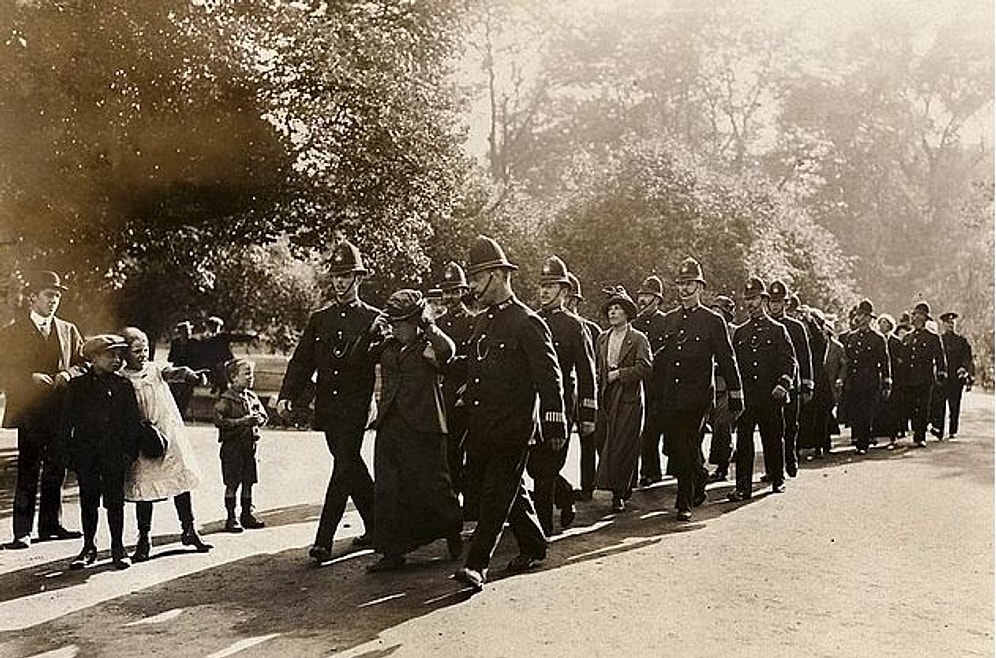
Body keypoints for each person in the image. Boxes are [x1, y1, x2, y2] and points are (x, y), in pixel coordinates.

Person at [453, 235, 566, 591]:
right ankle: (534, 543)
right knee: (506, 490)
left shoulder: (527, 321)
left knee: (495, 494)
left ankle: (476, 565)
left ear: (499, 275)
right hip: (483, 424)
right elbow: (476, 366)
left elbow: (550, 377)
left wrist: (554, 420)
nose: (471, 285)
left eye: (476, 277)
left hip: (514, 428)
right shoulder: (484, 320)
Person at [277, 240, 381, 563]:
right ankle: (379, 527)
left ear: (358, 278)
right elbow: (302, 361)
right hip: (329, 409)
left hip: (355, 409)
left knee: (343, 466)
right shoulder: (320, 318)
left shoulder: (374, 319)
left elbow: (388, 361)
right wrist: (287, 394)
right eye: (335, 275)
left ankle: (323, 540)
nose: (339, 281)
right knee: (351, 468)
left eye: (346, 275)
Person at [367, 289, 463, 572]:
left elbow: (448, 352)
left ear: (416, 321)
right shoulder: (388, 346)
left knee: (433, 486)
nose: (396, 328)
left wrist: (429, 326)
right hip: (390, 424)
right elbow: (361, 354)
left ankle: (451, 529)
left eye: (401, 323)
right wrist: (373, 330)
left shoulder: (428, 345)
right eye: (392, 322)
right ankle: (391, 552)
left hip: (425, 426)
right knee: (388, 488)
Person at [650, 258, 742, 521]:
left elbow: (727, 358)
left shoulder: (713, 321)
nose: (684, 289)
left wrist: (736, 394)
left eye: (689, 284)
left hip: (699, 397)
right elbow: (664, 360)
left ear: (700, 287)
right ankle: (699, 477)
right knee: (676, 448)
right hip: (672, 396)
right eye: (680, 284)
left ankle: (684, 502)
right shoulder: (670, 320)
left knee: (688, 444)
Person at [1, 270, 85, 549]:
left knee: (56, 469)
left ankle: (51, 526)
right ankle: (21, 532)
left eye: (57, 297)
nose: (54, 301)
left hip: (61, 411)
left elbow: (84, 363)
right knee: (28, 469)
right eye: (49, 295)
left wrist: (70, 374)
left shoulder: (68, 330)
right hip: (30, 412)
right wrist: (29, 378)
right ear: (33, 297)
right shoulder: (12, 333)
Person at [120, 327, 213, 561]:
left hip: (167, 432)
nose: (142, 355)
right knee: (145, 486)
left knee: (180, 479)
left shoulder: (155, 369)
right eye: (136, 351)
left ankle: (189, 529)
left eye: (145, 350)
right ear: (124, 353)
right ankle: (144, 537)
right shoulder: (122, 377)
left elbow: (173, 372)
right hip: (142, 438)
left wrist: (189, 374)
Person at [60, 335, 142, 570]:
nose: (116, 360)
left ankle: (118, 547)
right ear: (94, 358)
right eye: (110, 355)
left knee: (115, 503)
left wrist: (129, 452)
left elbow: (132, 423)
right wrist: (68, 454)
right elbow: (66, 423)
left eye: (119, 355)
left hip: (114, 456)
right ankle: (88, 547)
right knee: (88, 501)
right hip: (86, 455)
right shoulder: (77, 387)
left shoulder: (123, 385)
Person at [528, 256, 596, 533]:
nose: (544, 291)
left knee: (545, 471)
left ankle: (542, 530)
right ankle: (565, 494)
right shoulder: (531, 320)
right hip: (532, 406)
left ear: (565, 292)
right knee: (534, 468)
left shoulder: (574, 326)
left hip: (560, 408)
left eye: (551, 286)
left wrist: (588, 414)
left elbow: (586, 372)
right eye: (542, 286)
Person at [727, 279, 796, 500]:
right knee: (743, 442)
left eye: (755, 298)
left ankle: (777, 479)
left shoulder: (778, 330)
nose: (751, 303)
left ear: (764, 300)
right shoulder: (740, 333)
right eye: (747, 299)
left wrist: (783, 384)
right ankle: (742, 487)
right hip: (747, 397)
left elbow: (789, 361)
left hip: (770, 396)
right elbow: (733, 365)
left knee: (773, 438)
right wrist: (734, 393)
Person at [593, 286, 651, 512]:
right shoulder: (602, 338)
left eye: (618, 309)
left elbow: (645, 367)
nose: (613, 313)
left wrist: (620, 374)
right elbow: (599, 366)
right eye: (610, 309)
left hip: (628, 398)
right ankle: (614, 482)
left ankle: (619, 493)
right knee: (602, 440)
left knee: (623, 445)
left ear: (627, 313)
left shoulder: (638, 338)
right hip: (606, 396)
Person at [435, 261, 477, 519]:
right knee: (446, 455)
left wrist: (467, 390)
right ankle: (452, 508)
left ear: (464, 292)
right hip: (441, 397)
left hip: (463, 396)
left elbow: (474, 362)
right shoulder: (436, 324)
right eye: (446, 292)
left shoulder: (474, 322)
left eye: (455, 291)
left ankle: (469, 507)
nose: (450, 297)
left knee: (466, 454)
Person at [214, 358, 268, 533]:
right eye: (247, 374)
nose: (251, 377)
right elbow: (219, 421)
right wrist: (241, 422)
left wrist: (259, 419)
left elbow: (264, 416)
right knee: (233, 482)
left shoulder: (252, 397)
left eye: (251, 373)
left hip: (249, 446)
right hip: (233, 447)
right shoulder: (226, 399)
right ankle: (231, 517)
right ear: (234, 378)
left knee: (248, 480)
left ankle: (247, 514)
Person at [766, 280, 812, 478]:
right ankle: (773, 469)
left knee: (790, 425)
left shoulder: (796, 327)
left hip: (791, 384)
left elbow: (804, 357)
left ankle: (790, 459)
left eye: (779, 302)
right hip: (770, 385)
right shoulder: (766, 326)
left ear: (786, 303)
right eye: (772, 302)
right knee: (772, 429)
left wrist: (807, 384)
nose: (775, 306)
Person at [565, 272, 601, 500]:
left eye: (569, 297)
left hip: (586, 390)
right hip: (566, 392)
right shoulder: (552, 323)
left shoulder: (591, 329)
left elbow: (593, 367)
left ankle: (588, 485)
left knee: (589, 441)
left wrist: (591, 402)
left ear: (576, 301)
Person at [840, 299, 892, 454]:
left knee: (866, 412)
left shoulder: (878, 338)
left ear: (870, 318)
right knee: (855, 411)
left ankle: (863, 443)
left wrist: (887, 382)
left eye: (864, 315)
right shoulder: (851, 337)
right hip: (854, 382)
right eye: (858, 315)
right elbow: (846, 361)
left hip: (870, 382)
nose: (860, 318)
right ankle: (858, 439)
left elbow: (884, 361)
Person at [632, 275, 668, 488]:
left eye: (648, 296)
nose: (643, 300)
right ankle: (649, 471)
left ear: (658, 299)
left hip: (660, 384)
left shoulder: (665, 322)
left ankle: (655, 470)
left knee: (656, 428)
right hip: (640, 384)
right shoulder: (634, 324)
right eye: (642, 295)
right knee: (645, 428)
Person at [902, 301, 946, 447]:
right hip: (909, 378)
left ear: (926, 319)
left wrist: (941, 372)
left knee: (923, 407)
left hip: (925, 378)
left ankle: (920, 435)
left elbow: (940, 357)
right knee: (910, 406)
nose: (917, 319)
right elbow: (902, 359)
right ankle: (916, 430)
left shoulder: (933, 338)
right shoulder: (907, 337)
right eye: (915, 315)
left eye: (921, 316)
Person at [705, 294, 737, 481]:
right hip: (708, 388)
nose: (715, 315)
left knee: (722, 427)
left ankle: (722, 467)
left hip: (726, 387)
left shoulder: (735, 333)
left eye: (719, 311)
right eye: (713, 310)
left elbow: (734, 361)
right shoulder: (706, 331)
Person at [931, 312, 974, 439]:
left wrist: (964, 368)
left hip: (956, 378)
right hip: (942, 378)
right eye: (947, 323)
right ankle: (939, 429)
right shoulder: (939, 340)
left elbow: (967, 358)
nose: (950, 325)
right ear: (943, 325)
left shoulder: (961, 341)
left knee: (954, 405)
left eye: (952, 323)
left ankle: (953, 430)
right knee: (939, 405)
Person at [166, 321, 197, 419]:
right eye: (184, 331)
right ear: (180, 332)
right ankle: (174, 412)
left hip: (191, 371)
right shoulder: (175, 343)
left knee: (187, 392)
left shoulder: (194, 342)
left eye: (188, 331)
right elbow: (171, 358)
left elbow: (198, 358)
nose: (187, 333)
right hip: (178, 370)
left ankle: (181, 413)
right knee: (174, 391)